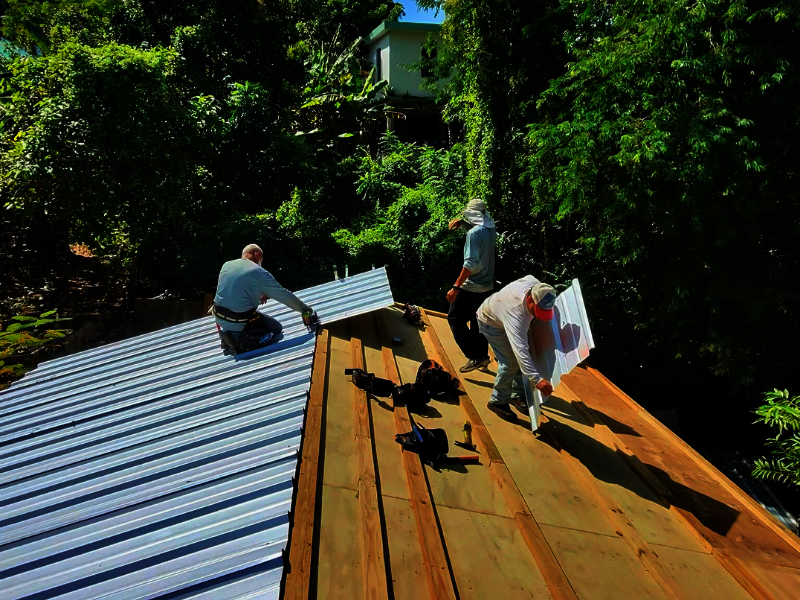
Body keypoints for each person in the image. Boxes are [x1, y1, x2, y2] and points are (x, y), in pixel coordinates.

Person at [476, 276, 556, 422]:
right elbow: (521, 352)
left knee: (519, 356)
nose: (537, 315)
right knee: (511, 361)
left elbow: (530, 276)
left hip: (499, 312)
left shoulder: (536, 286)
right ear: (530, 299)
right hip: (490, 322)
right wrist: (537, 380)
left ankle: (517, 394)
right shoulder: (516, 314)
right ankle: (497, 401)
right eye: (537, 310)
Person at [212, 244, 313, 355]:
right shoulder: (258, 271)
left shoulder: (227, 265)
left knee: (235, 318)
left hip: (219, 317)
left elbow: (231, 293)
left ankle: (226, 336)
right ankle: (244, 342)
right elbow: (283, 295)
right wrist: (304, 309)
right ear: (257, 255)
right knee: (276, 328)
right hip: (239, 322)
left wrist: (257, 293)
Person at [446, 198, 497, 373]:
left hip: (471, 287)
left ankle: (475, 356)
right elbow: (479, 235)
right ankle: (483, 356)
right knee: (477, 322)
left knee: (454, 319)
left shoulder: (474, 234)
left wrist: (456, 287)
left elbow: (470, 263)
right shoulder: (490, 229)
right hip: (488, 286)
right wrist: (463, 225)